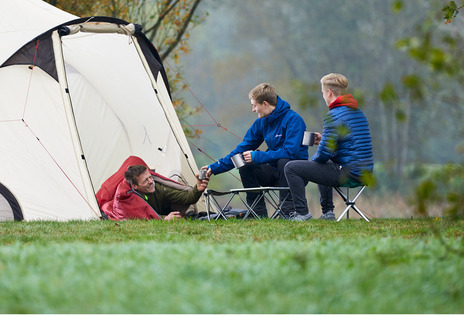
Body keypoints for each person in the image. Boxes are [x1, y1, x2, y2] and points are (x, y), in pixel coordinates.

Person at [202, 83, 307, 218]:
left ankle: (288, 211)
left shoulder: (294, 120)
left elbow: (290, 152)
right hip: (273, 172)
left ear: (265, 104)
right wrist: (214, 167)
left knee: (284, 161)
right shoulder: (261, 122)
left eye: (254, 105)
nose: (253, 109)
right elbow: (240, 150)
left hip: (294, 174)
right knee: (244, 162)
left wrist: (258, 156)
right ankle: (257, 213)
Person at [284, 73, 374, 221]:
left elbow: (324, 155)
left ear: (329, 92)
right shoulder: (358, 112)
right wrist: (324, 139)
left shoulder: (333, 115)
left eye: (322, 93)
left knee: (291, 167)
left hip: (349, 175)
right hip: (364, 173)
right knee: (324, 165)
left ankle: (302, 214)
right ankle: (328, 213)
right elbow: (350, 145)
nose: (323, 96)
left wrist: (312, 164)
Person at [122, 164, 209, 220]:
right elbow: (140, 217)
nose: (150, 181)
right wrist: (164, 218)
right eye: (145, 180)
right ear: (135, 186)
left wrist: (197, 189)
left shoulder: (159, 188)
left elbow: (187, 198)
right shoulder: (130, 199)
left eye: (150, 177)